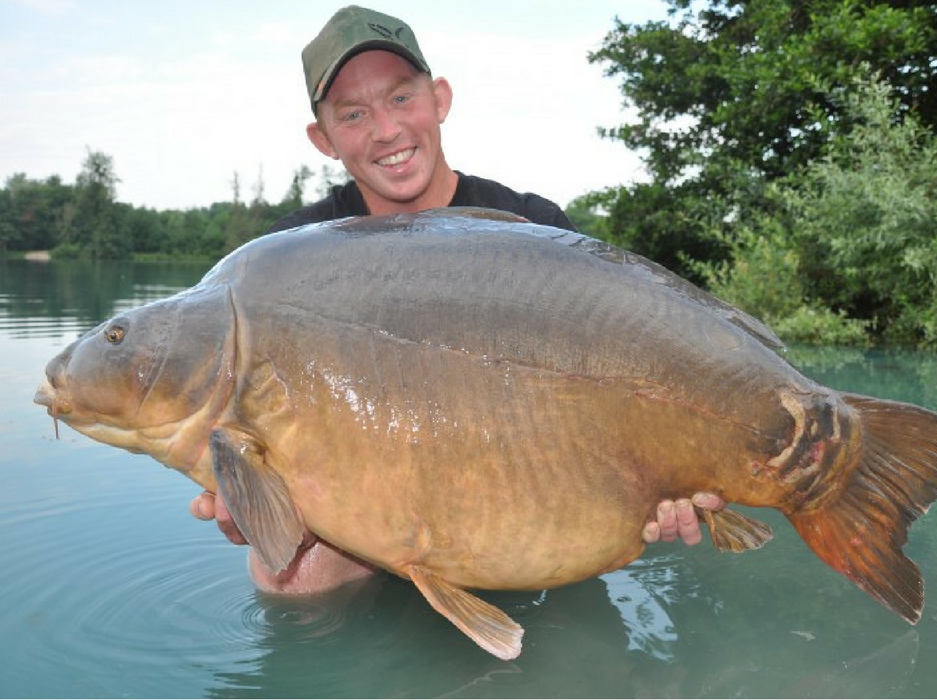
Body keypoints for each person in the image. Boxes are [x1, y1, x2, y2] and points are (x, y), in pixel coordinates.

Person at [190, 5, 726, 594]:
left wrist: (668, 472)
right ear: (324, 138)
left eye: (400, 99)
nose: (386, 130)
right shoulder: (287, 257)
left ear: (439, 98)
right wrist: (256, 501)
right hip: (371, 507)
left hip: (523, 485)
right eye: (353, 114)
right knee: (286, 575)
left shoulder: (534, 228)